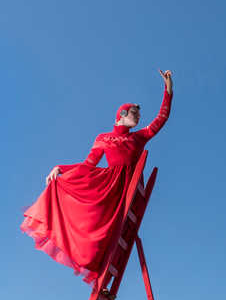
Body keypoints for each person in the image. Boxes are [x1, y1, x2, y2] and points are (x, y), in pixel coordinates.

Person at [21, 70, 173, 285]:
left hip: (125, 187)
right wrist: (60, 167)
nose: (138, 118)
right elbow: (88, 165)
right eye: (133, 114)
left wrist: (168, 90)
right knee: (94, 227)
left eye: (138, 115)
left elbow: (161, 118)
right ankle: (91, 260)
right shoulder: (103, 138)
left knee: (112, 231)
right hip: (107, 185)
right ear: (121, 115)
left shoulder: (138, 137)